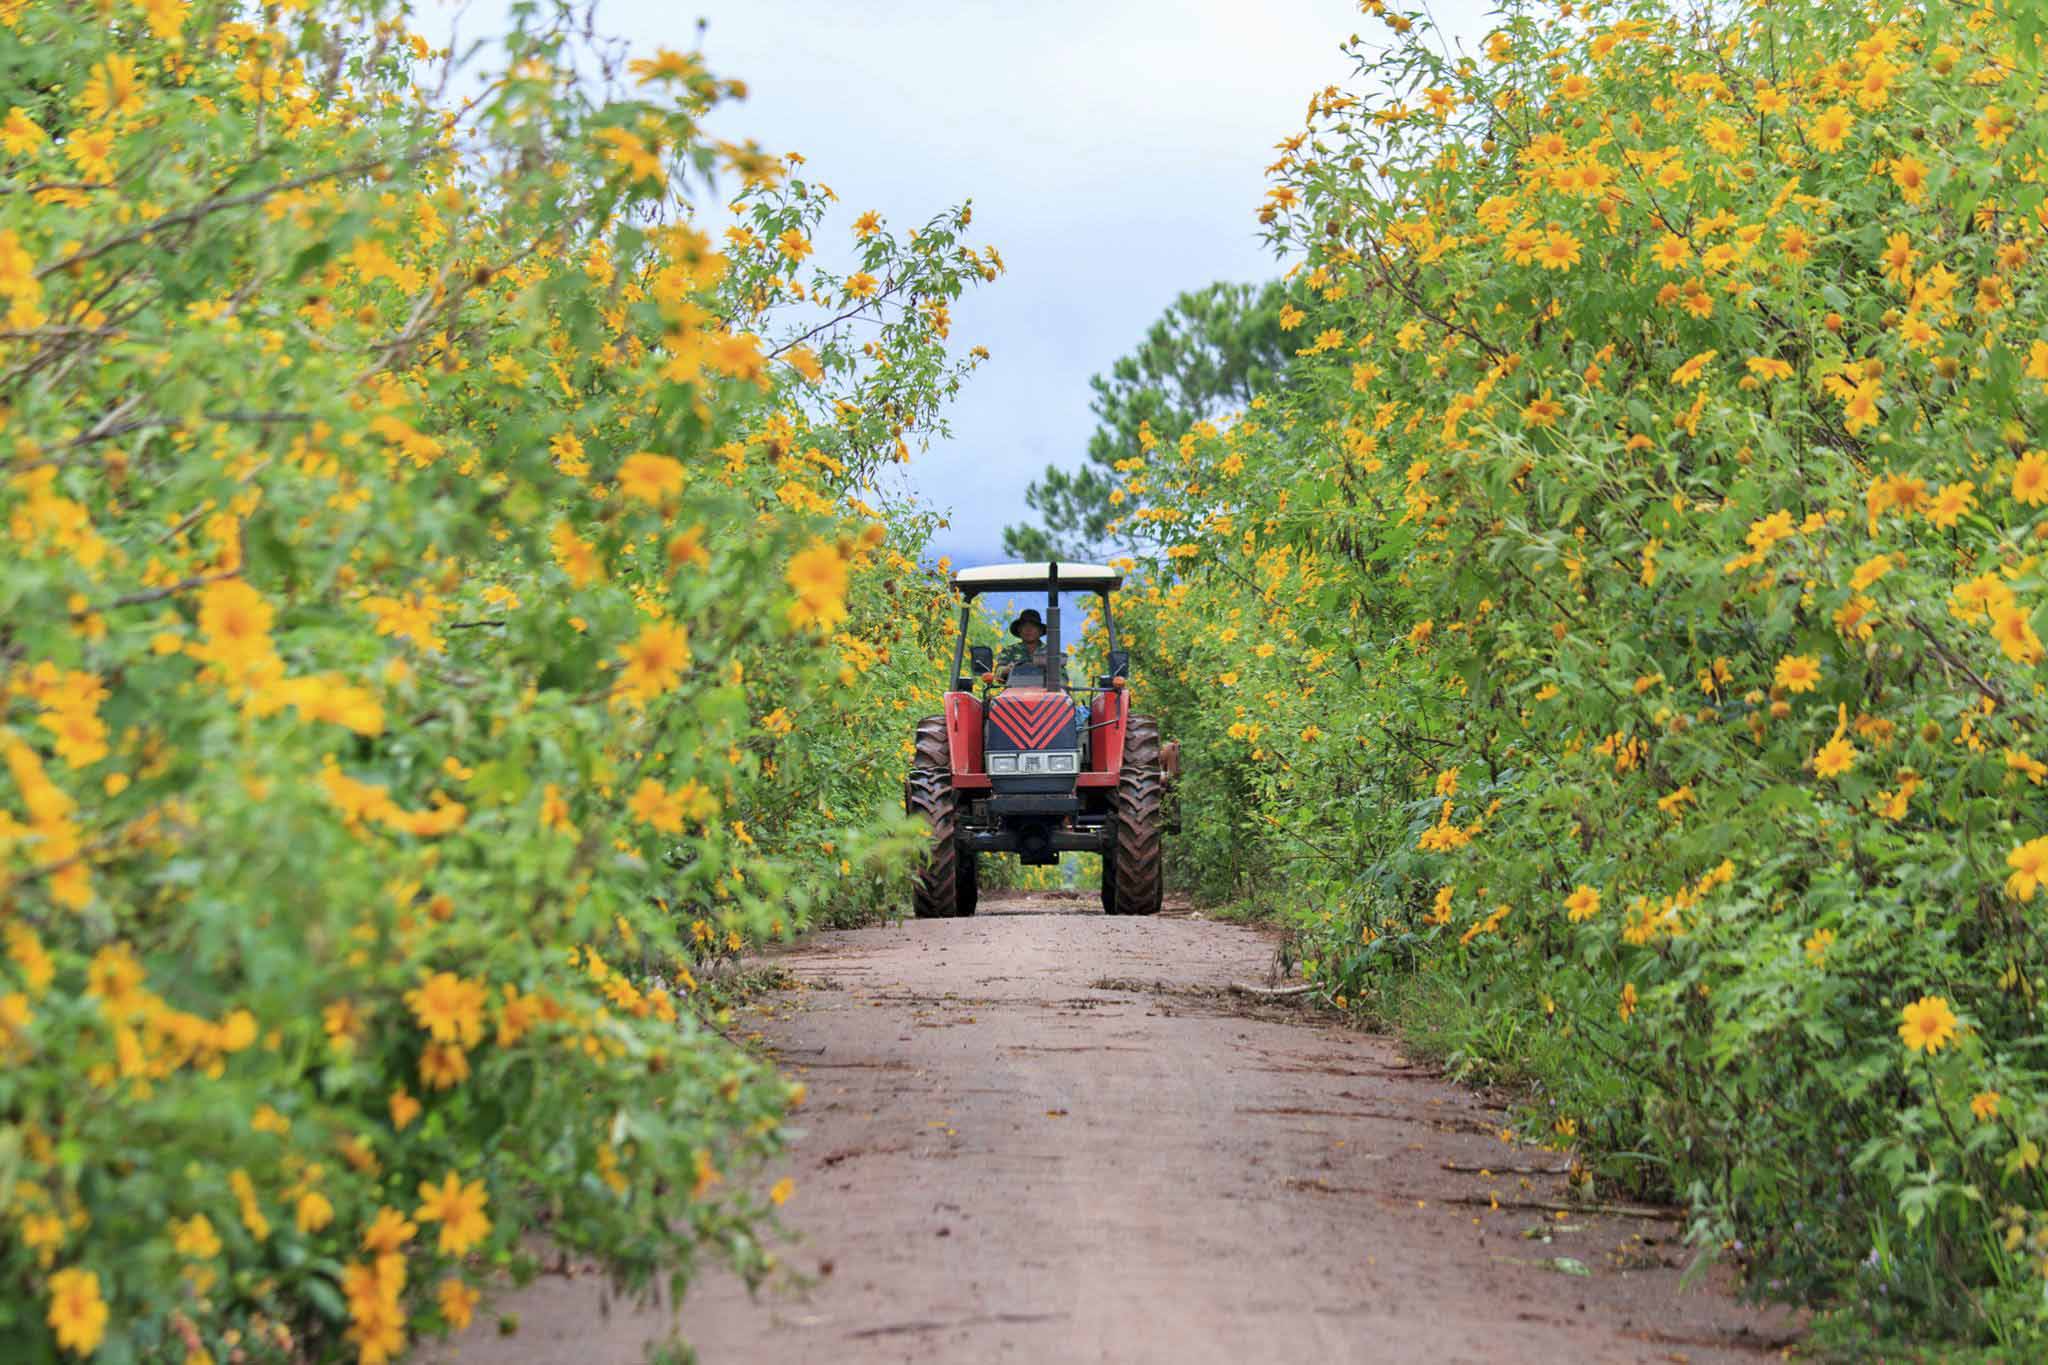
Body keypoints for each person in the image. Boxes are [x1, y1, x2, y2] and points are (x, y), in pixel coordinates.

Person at [996, 608, 1050, 680]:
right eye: (1025, 626)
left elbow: (1062, 676)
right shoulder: (1010, 650)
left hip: (1044, 690)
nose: (1028, 629)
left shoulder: (1050, 652)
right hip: (1014, 689)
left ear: (1040, 630)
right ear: (1019, 630)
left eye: (1033, 626)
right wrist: (1006, 670)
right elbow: (998, 672)